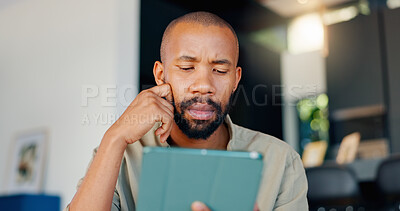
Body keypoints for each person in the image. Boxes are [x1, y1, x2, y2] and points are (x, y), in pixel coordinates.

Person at [66, 11, 308, 211]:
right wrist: (114, 136)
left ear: (235, 79)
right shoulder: (120, 155)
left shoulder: (282, 161)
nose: (204, 86)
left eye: (220, 71)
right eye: (186, 67)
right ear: (161, 75)